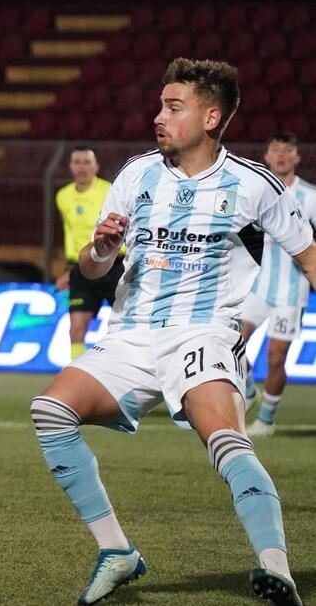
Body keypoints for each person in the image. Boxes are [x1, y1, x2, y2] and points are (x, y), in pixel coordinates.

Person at [30, 58, 309, 605]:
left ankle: (275, 568)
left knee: (226, 440)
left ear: (210, 117)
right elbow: (91, 267)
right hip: (132, 331)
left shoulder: (255, 186)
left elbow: (309, 256)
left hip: (203, 332)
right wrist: (101, 251)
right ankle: (117, 551)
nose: (158, 116)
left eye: (172, 107)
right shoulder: (136, 174)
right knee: (49, 410)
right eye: (160, 104)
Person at [241, 131, 316, 438]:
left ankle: (267, 420)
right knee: (230, 341)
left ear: (297, 157)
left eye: (288, 150)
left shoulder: (310, 197)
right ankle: (247, 392)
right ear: (267, 156)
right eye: (276, 150)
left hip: (291, 290)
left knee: (275, 357)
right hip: (257, 286)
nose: (282, 155)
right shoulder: (255, 192)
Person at [55, 146, 124, 360]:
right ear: (70, 167)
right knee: (76, 329)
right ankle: (74, 373)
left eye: (87, 162)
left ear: (96, 167)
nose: (81, 167)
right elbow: (70, 233)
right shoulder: (63, 196)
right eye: (77, 162)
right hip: (82, 267)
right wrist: (69, 269)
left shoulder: (109, 191)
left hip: (114, 265)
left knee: (125, 327)